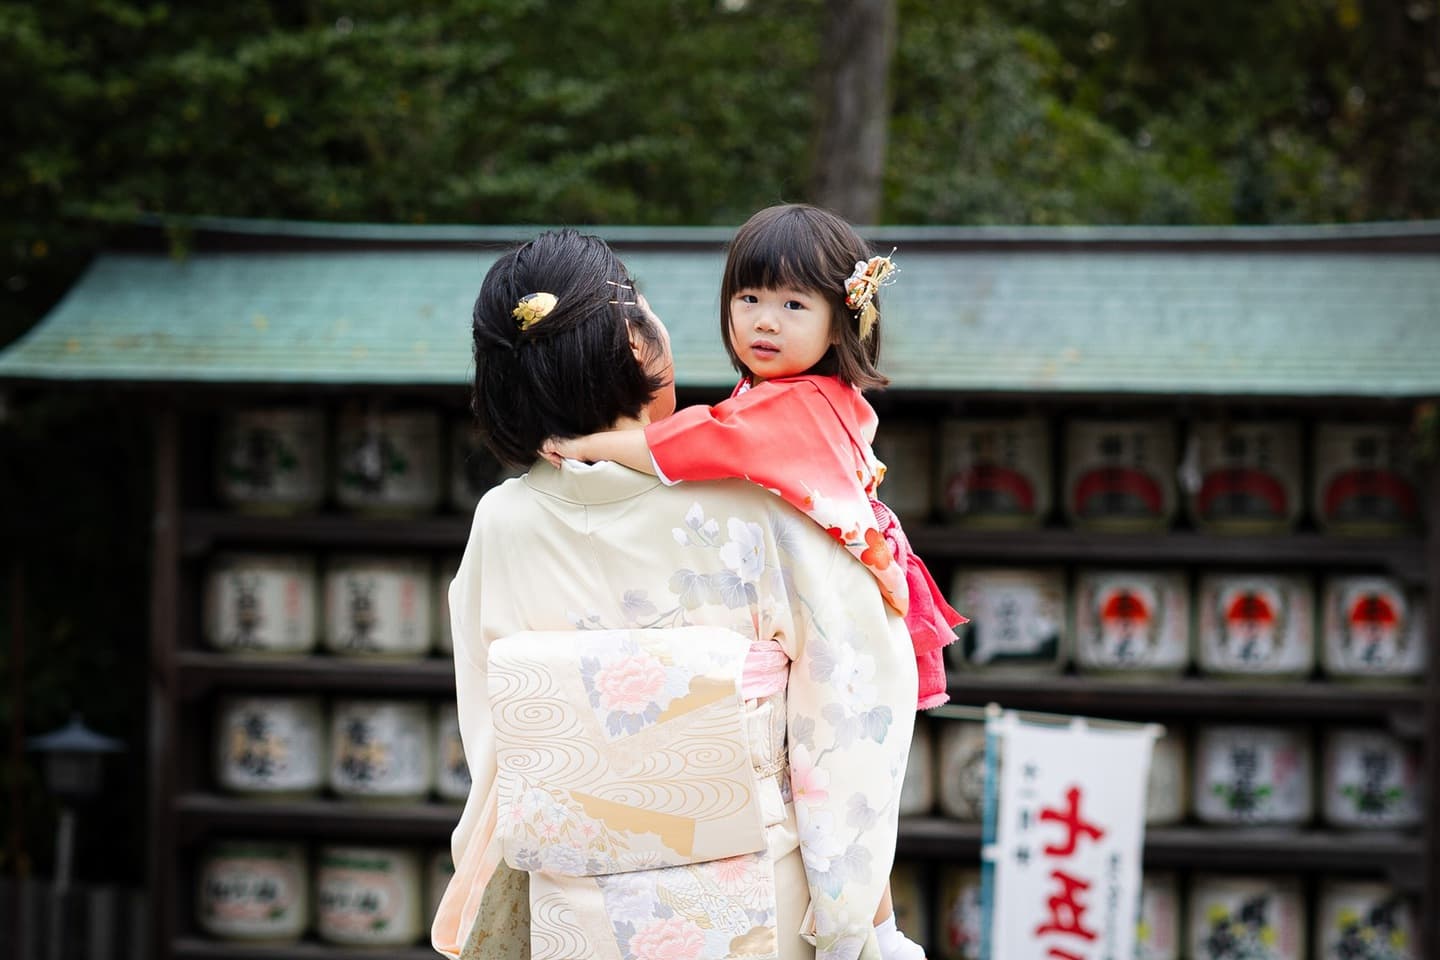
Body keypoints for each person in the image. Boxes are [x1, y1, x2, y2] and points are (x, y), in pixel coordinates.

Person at [431, 228, 917, 960]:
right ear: (635, 344)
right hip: (759, 904)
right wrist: (855, 926)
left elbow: (498, 741)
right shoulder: (763, 503)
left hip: (571, 904)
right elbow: (850, 723)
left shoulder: (501, 522)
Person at [543, 203, 964, 714]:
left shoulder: (800, 403)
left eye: (793, 305)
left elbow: (697, 440)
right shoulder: (796, 391)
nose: (765, 321)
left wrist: (586, 445)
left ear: (839, 325)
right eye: (749, 298)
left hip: (837, 606)